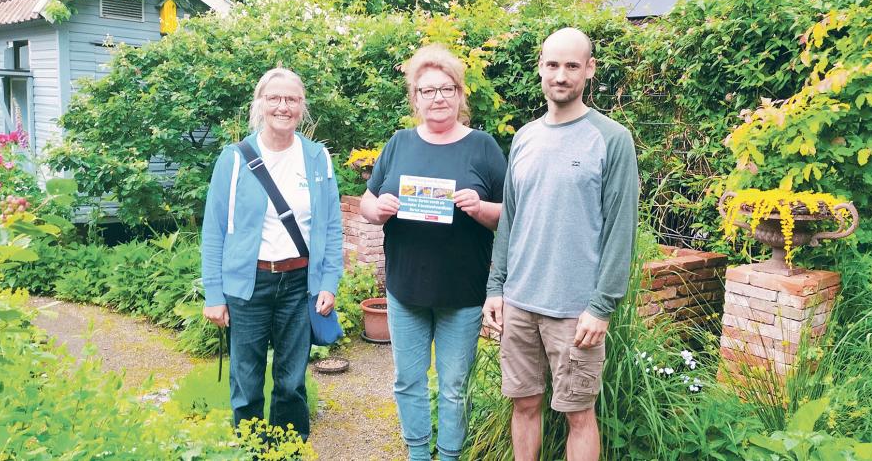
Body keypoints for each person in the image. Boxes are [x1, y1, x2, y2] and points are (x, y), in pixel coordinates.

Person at [483, 28, 639, 461]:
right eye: (553, 65)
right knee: (524, 403)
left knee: (578, 414)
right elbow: (510, 220)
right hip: (519, 302)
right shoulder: (525, 137)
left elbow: (620, 229)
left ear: (589, 70)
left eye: (572, 65)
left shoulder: (612, 139)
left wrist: (602, 305)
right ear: (540, 68)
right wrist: (496, 288)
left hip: (576, 312)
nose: (561, 75)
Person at [361, 44, 507, 461]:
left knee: (455, 384)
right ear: (415, 98)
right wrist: (379, 210)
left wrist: (480, 209)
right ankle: (418, 454)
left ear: (460, 94)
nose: (438, 97)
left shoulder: (483, 147)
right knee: (407, 380)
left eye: (446, 88)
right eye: (427, 91)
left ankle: (449, 455)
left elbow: (509, 217)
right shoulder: (399, 143)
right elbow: (369, 202)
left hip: (462, 292)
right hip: (405, 289)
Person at [201, 67, 343, 441]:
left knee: (291, 382)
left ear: (302, 107)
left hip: (299, 285)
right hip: (248, 286)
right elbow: (214, 230)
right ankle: (250, 450)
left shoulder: (317, 158)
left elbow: (330, 226)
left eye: (292, 99)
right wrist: (214, 294)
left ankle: (288, 450)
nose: (284, 106)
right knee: (246, 382)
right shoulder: (233, 160)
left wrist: (329, 281)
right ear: (260, 104)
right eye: (275, 98)